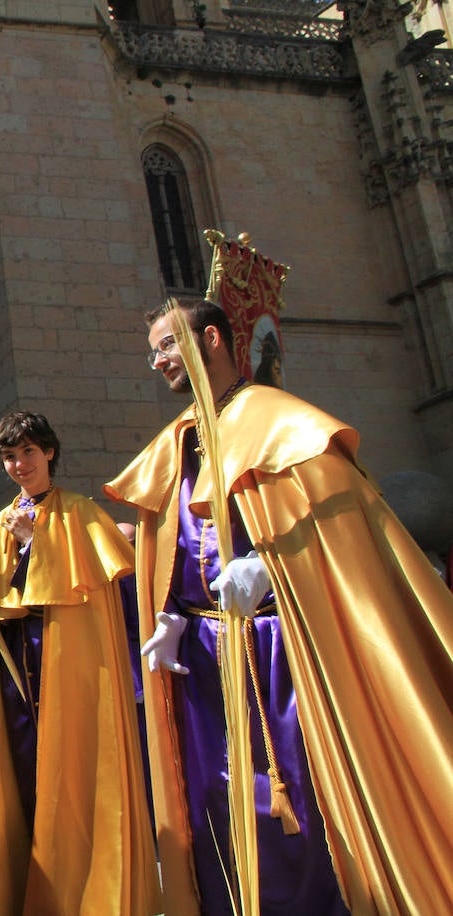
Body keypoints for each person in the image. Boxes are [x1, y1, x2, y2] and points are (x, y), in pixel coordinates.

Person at [106, 297, 453, 915]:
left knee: (303, 792)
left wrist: (272, 565)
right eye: (153, 350)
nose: (156, 361)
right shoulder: (178, 442)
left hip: (282, 653)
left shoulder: (281, 422)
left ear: (209, 337)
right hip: (206, 670)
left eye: (166, 345)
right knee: (219, 799)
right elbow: (179, 549)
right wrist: (171, 615)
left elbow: (344, 527)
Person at [0, 410, 157, 914]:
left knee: (74, 776)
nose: (20, 464)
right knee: (27, 779)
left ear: (48, 452)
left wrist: (32, 543)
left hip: (69, 670)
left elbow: (78, 596)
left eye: (27, 452)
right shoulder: (4, 520)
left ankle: (81, 890)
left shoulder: (80, 514)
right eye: (9, 457)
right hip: (18, 678)